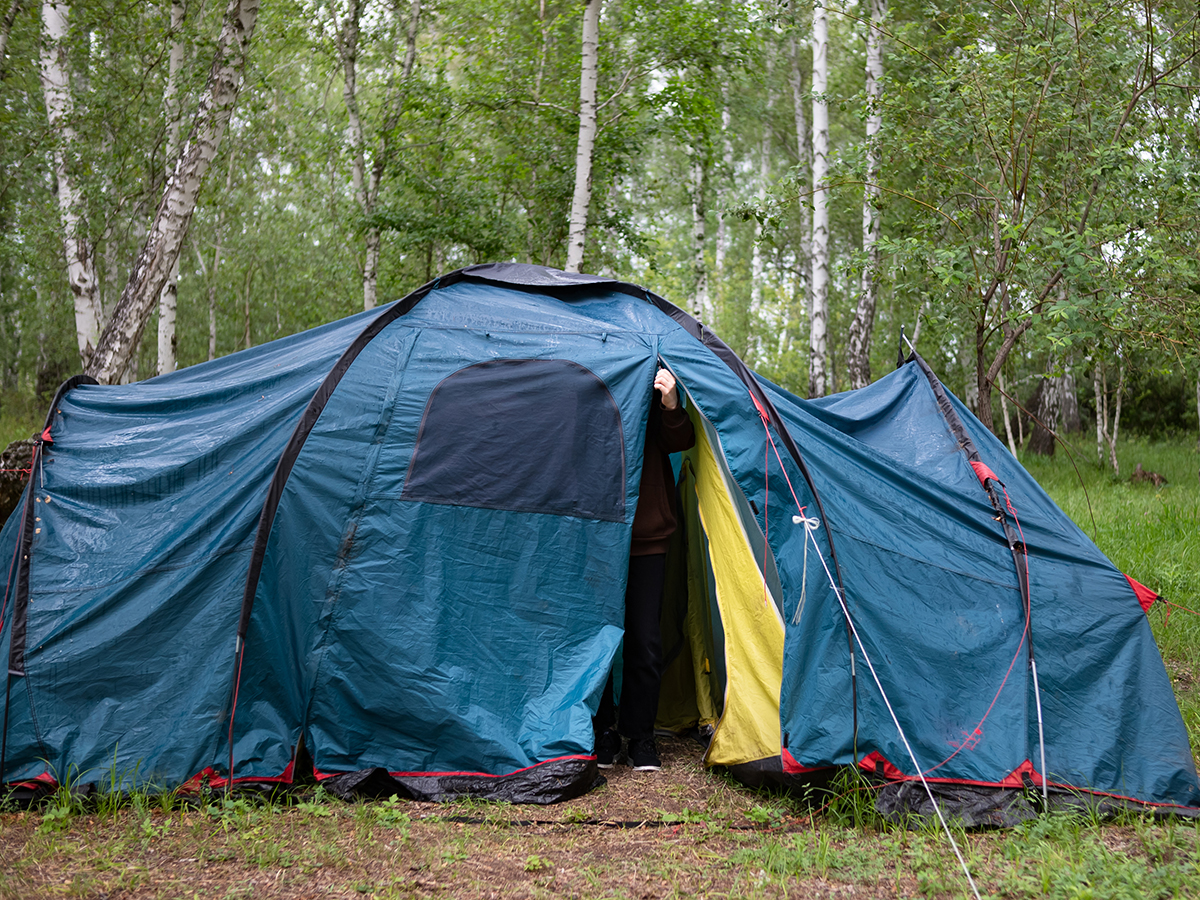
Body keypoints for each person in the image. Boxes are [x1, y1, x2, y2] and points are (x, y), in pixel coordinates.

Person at [594, 367, 695, 771]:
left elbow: (681, 441)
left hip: (646, 533)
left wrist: (670, 403)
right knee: (596, 636)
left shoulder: (646, 374)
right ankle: (601, 730)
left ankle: (641, 737)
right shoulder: (587, 375)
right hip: (594, 532)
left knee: (645, 639)